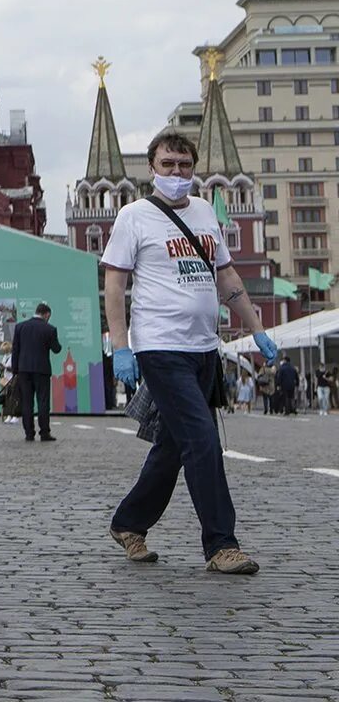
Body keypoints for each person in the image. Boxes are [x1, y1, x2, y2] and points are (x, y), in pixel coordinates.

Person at [105, 132, 272, 575]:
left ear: (193, 168)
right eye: (168, 165)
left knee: (174, 446)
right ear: (152, 169)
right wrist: (121, 347)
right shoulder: (133, 217)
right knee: (202, 440)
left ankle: (129, 522)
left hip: (203, 348)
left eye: (184, 165)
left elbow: (227, 275)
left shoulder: (203, 213)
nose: (177, 173)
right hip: (161, 348)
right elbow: (115, 285)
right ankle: (222, 544)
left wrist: (256, 330)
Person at [11, 303, 62, 442]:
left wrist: (15, 369)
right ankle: (44, 433)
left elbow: (15, 350)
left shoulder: (20, 327)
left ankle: (29, 433)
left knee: (27, 402)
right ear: (46, 314)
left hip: (23, 371)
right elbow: (56, 349)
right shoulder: (50, 329)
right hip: (42, 370)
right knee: (43, 402)